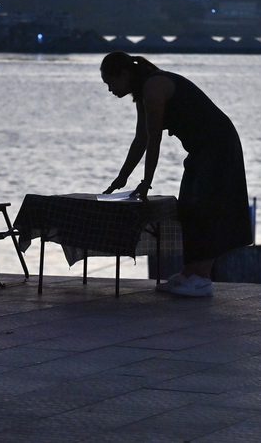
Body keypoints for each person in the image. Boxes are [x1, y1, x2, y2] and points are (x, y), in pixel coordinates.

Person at [100, 51, 252, 297]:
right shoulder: (143, 93)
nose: (110, 89)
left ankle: (202, 279)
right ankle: (189, 273)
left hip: (219, 146)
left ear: (124, 74)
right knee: (188, 209)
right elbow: (141, 139)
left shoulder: (154, 86)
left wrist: (146, 182)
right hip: (201, 150)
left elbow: (155, 140)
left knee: (205, 209)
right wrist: (122, 177)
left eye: (110, 82)